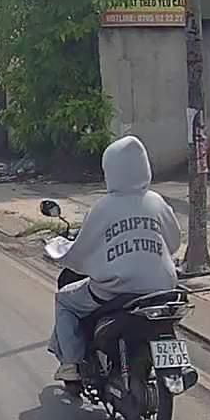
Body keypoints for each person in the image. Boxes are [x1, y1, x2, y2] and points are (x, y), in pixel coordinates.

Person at [47, 135, 180, 382]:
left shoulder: (103, 207)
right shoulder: (157, 202)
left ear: (110, 170)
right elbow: (173, 242)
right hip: (162, 287)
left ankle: (71, 364)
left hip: (114, 289)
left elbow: (82, 250)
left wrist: (59, 251)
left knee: (64, 300)